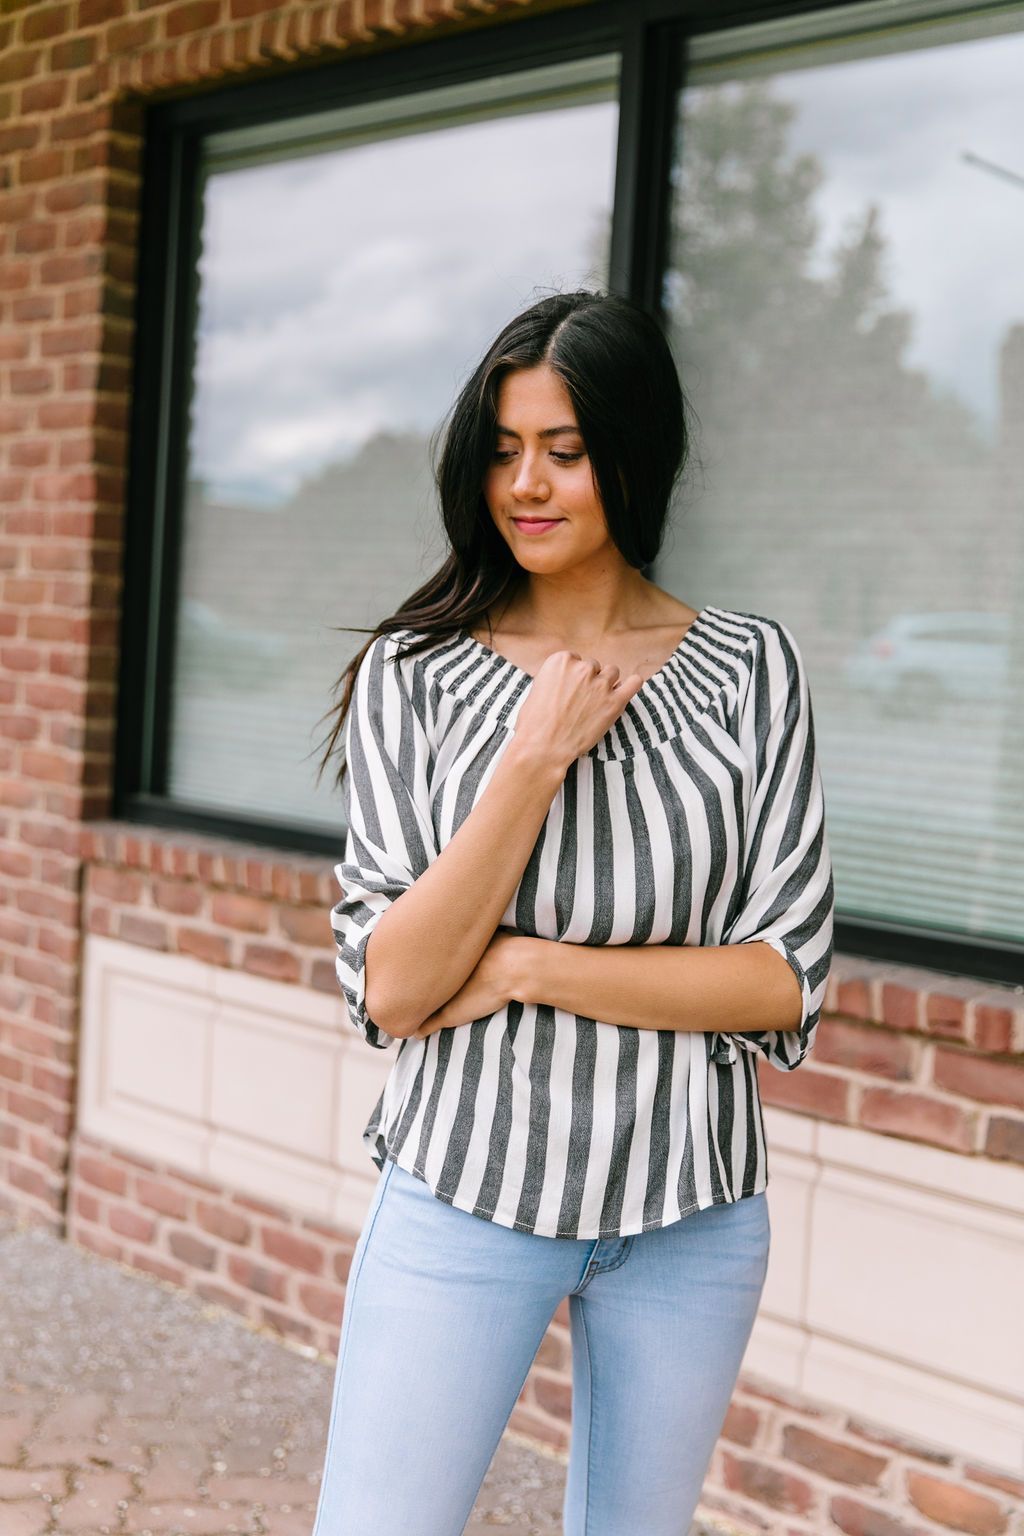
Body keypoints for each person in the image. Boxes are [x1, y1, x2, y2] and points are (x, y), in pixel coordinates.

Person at [311, 288, 835, 1536]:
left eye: (564, 449)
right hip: (464, 1192)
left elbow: (781, 978)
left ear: (631, 453)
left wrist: (528, 965)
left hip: (693, 1212)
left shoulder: (752, 670)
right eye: (501, 450)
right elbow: (392, 986)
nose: (525, 485)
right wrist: (533, 759)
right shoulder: (419, 670)